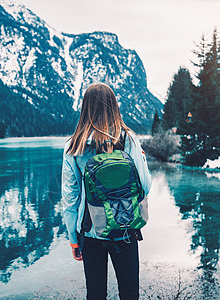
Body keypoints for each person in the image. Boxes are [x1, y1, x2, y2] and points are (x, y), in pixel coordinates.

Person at [61, 83, 152, 299]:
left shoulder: (73, 146)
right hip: (125, 227)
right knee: (129, 292)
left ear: (85, 109)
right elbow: (145, 186)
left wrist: (73, 238)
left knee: (95, 293)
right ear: (114, 107)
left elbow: (70, 199)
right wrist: (143, 157)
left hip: (91, 231)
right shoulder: (127, 139)